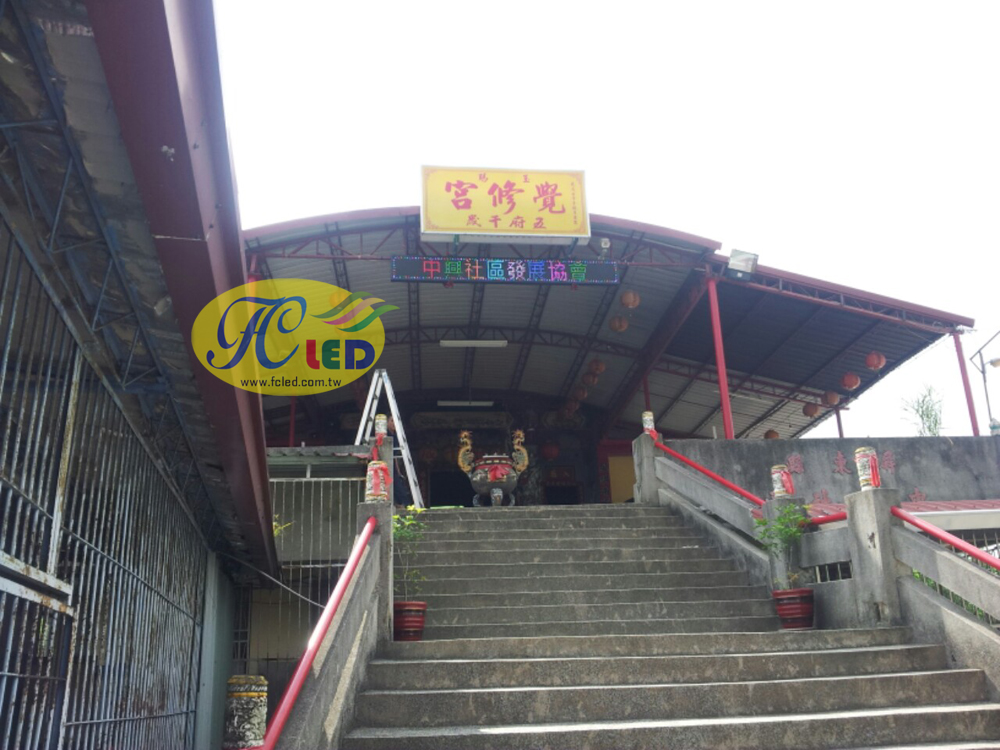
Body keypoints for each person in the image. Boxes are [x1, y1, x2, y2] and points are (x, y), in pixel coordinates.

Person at [386, 416, 412, 508]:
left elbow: (395, 456)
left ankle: (404, 505)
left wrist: (398, 471)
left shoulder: (396, 435)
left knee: (398, 483)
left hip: (393, 463)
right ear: (387, 422)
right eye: (392, 421)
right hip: (385, 463)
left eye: (395, 421)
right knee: (395, 486)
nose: (394, 423)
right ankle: (404, 505)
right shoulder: (386, 436)